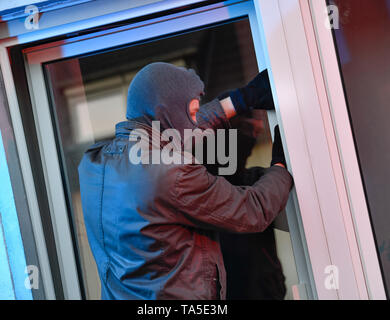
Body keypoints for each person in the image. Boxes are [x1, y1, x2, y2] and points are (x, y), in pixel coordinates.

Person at [78, 62, 293, 299]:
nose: (194, 122)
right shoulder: (173, 172)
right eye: (191, 113)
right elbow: (252, 210)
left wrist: (239, 100)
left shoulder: (95, 163)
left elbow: (170, 131)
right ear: (166, 113)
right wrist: (282, 165)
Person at [205, 114, 287, 300]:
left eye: (256, 130)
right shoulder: (204, 190)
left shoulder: (254, 181)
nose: (255, 134)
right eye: (249, 129)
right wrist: (280, 167)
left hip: (265, 291)